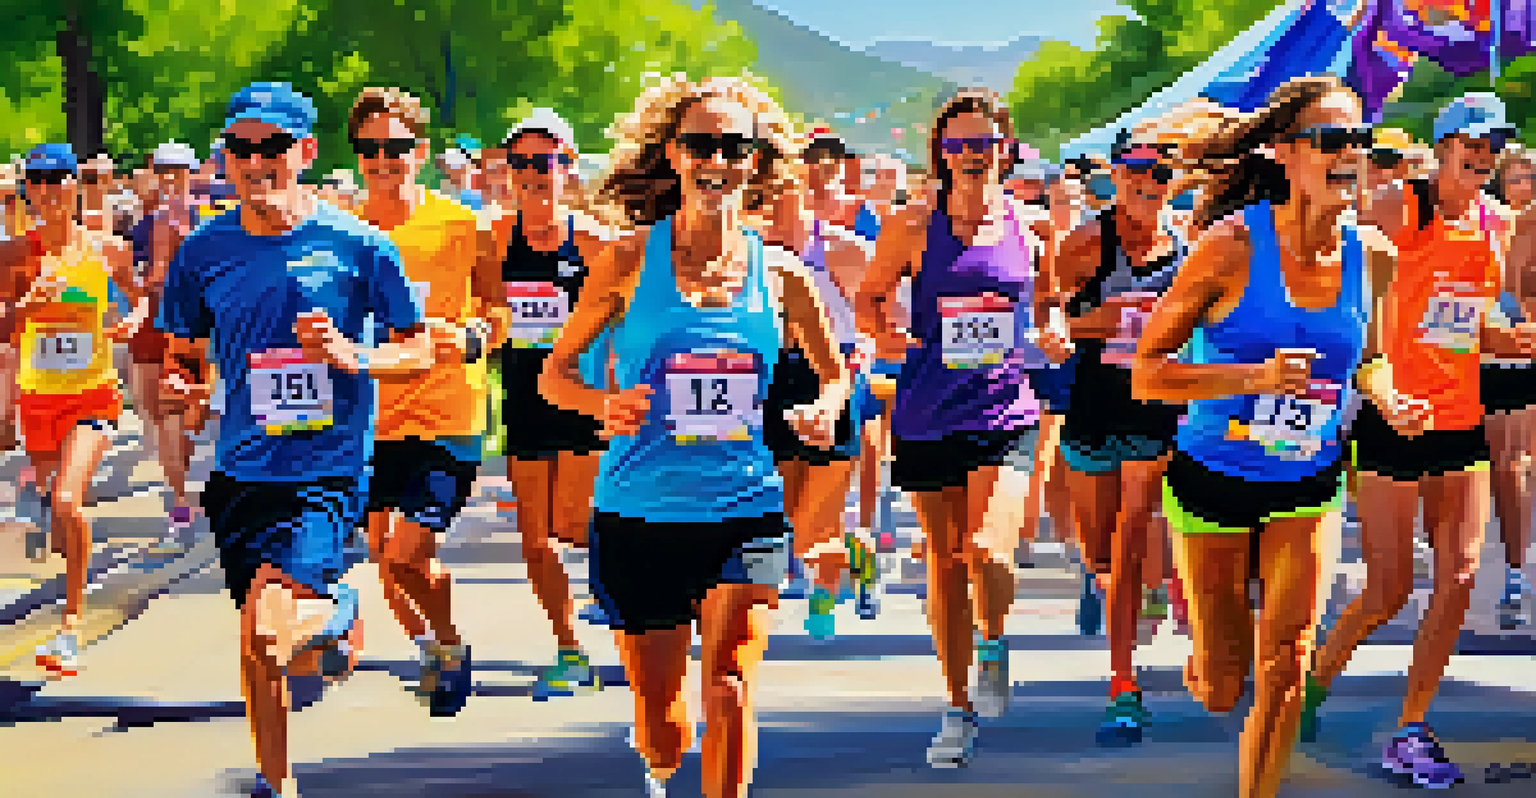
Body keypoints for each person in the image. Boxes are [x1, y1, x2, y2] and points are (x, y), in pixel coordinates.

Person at [542, 74, 850, 798]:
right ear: (674, 156)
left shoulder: (781, 275)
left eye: (732, 146)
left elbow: (837, 374)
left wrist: (824, 410)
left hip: (744, 511)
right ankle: (656, 751)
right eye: (700, 144)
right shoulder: (624, 262)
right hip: (638, 514)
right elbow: (553, 374)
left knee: (730, 688)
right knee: (663, 727)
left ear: (755, 162)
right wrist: (602, 404)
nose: (716, 160)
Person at [156, 82, 434, 798]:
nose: (255, 162)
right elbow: (184, 352)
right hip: (242, 472)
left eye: (272, 146)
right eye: (241, 148)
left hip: (325, 471)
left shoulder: (359, 247)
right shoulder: (201, 251)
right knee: (274, 649)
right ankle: (279, 779)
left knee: (263, 627)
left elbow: (420, 349)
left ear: (304, 153)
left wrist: (354, 355)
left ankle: (335, 613)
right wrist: (185, 394)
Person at [1132, 76, 1374, 798]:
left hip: (1308, 480)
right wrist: (1255, 378)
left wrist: (1395, 397)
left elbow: (1375, 355)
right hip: (1214, 478)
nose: (1348, 155)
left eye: (1357, 140)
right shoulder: (1229, 247)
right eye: (1331, 140)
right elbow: (1149, 373)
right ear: (1284, 153)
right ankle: (1204, 652)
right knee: (1221, 683)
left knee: (1287, 661)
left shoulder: (1371, 255)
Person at [1303, 93, 1536, 789]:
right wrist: (1374, 383)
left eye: (1495, 142)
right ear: (1443, 146)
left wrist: (1514, 339)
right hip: (1390, 420)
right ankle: (1312, 680)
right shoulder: (1401, 209)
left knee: (1460, 574)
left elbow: (1466, 327)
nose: (1485, 152)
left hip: (1460, 420)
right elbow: (1351, 299)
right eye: (1472, 139)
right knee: (1386, 589)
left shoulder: (1494, 224)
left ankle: (1411, 726)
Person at [857, 88, 1062, 767]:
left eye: (983, 143)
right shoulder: (913, 225)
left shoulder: (1032, 229)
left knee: (987, 550)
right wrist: (881, 330)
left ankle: (994, 644)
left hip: (1004, 408)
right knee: (944, 565)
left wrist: (1055, 332)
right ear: (941, 155)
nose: (971, 156)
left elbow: (1050, 304)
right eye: (958, 145)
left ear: (1006, 148)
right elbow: (870, 294)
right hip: (925, 411)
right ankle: (956, 705)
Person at [350, 87, 503, 716]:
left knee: (405, 550)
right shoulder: (346, 231)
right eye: (371, 149)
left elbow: (497, 313)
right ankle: (437, 645)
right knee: (387, 560)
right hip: (373, 416)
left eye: (398, 147)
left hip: (446, 411)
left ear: (422, 150)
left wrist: (468, 336)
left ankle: (444, 646)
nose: (385, 160)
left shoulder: (464, 224)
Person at [1052, 126, 1186, 746]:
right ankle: (1115, 591)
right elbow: (1050, 317)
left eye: (1162, 174)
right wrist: (1092, 323)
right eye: (1137, 169)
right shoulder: (1084, 243)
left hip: (1152, 413)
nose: (1148, 183)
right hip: (1092, 409)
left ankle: (1123, 684)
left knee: (1132, 536)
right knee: (1101, 555)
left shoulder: (1186, 252)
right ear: (1115, 171)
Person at [490, 107, 612, 697]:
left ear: (569, 168)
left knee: (575, 524)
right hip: (523, 398)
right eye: (520, 163)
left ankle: (631, 592)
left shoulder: (592, 242)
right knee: (536, 539)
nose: (532, 174)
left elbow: (634, 308)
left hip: (583, 399)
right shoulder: (495, 238)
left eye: (545, 161)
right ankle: (569, 649)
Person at [4, 144, 136, 677]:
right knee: (52, 508)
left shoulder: (107, 249)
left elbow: (138, 296)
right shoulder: (14, 254)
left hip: (93, 394)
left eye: (60, 178)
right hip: (37, 399)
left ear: (76, 185)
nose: (50, 188)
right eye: (39, 180)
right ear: (28, 190)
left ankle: (70, 626)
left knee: (66, 499)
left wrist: (129, 321)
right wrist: (24, 310)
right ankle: (56, 530)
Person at [765, 133, 881, 637]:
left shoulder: (844, 252)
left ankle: (823, 596)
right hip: (770, 381)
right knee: (785, 515)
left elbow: (884, 312)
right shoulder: (750, 256)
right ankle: (853, 547)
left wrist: (865, 350)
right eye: (770, 194)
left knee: (816, 522)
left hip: (830, 378)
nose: (780, 203)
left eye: (789, 192)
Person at [129, 141, 204, 550]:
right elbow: (138, 279)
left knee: (178, 420)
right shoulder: (142, 225)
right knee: (154, 416)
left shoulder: (206, 223)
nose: (170, 178)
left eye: (178, 170)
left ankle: (181, 503)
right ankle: (180, 494)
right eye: (163, 170)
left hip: (185, 330)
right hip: (147, 330)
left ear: (192, 175)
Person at [1484, 143, 1536, 630]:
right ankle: (1513, 571)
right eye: (1517, 177)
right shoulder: (1484, 221)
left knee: (1515, 462)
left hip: (1520, 356)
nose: (1526, 186)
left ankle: (1516, 571)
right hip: (1494, 358)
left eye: (1533, 176)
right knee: (1507, 464)